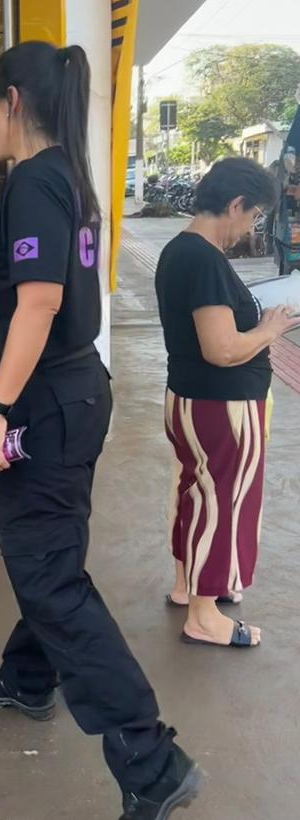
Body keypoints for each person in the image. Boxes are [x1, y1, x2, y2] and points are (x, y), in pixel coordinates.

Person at [0, 41, 200, 820]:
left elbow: (39, 302)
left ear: (13, 99)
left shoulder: (33, 179)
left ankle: (151, 762)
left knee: (51, 579)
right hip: (72, 394)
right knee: (51, 562)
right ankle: (28, 676)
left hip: (42, 402)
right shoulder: (65, 177)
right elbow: (32, 271)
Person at [155, 157, 298, 648]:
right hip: (223, 406)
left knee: (197, 494)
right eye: (254, 216)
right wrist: (271, 329)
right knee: (222, 504)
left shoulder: (182, 250)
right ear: (236, 205)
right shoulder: (204, 259)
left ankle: (188, 586)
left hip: (194, 400)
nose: (251, 228)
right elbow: (222, 349)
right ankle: (204, 615)